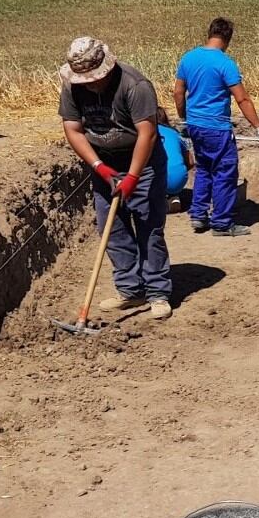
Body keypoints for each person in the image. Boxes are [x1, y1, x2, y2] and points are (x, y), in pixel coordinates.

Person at [58, 36, 173, 320]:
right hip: (104, 164)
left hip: (142, 163)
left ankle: (157, 292)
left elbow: (147, 133)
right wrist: (99, 166)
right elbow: (72, 129)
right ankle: (131, 291)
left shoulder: (135, 85)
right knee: (114, 230)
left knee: (149, 227)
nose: (89, 84)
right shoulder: (72, 87)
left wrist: (133, 176)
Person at [173, 17, 259, 237]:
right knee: (225, 173)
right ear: (228, 39)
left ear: (210, 33)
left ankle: (198, 215)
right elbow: (242, 99)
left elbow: (178, 92)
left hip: (196, 125)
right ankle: (221, 223)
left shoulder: (188, 58)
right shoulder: (225, 63)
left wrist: (184, 119)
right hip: (217, 128)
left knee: (204, 169)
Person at [155, 108, 193, 213]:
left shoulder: (148, 133)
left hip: (160, 179)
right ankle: (173, 195)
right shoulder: (175, 133)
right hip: (179, 178)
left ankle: (159, 201)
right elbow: (191, 161)